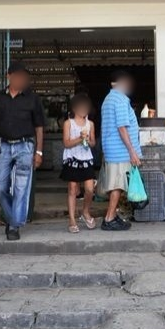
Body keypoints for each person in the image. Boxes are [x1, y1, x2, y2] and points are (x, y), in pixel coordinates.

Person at [0, 61, 45, 241]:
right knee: (0, 187)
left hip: (25, 146)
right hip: (3, 146)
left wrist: (39, 152)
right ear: (9, 76)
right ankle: (14, 218)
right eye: (17, 76)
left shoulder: (32, 98)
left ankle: (13, 226)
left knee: (21, 187)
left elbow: (40, 127)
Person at [98, 70, 141, 231]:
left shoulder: (108, 100)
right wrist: (132, 151)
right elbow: (122, 127)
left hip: (111, 149)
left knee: (116, 185)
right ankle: (109, 218)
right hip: (120, 150)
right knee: (117, 185)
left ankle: (113, 215)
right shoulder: (121, 99)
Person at [61, 93, 97, 234]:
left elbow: (93, 143)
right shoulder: (68, 123)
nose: (84, 110)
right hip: (72, 159)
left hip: (86, 159)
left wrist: (88, 140)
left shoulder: (91, 124)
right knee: (72, 189)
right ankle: (72, 220)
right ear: (75, 108)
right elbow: (66, 143)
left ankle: (85, 212)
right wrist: (79, 138)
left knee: (89, 189)